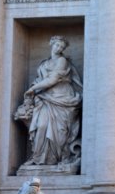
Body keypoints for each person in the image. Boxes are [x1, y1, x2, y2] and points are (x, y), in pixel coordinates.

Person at [22, 36, 83, 166]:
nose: (59, 48)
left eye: (62, 47)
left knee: (60, 131)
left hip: (62, 97)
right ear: (51, 44)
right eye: (57, 45)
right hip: (45, 98)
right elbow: (40, 79)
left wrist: (32, 89)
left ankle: (58, 159)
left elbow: (52, 80)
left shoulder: (62, 61)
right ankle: (37, 157)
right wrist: (35, 88)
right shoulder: (44, 63)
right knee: (41, 126)